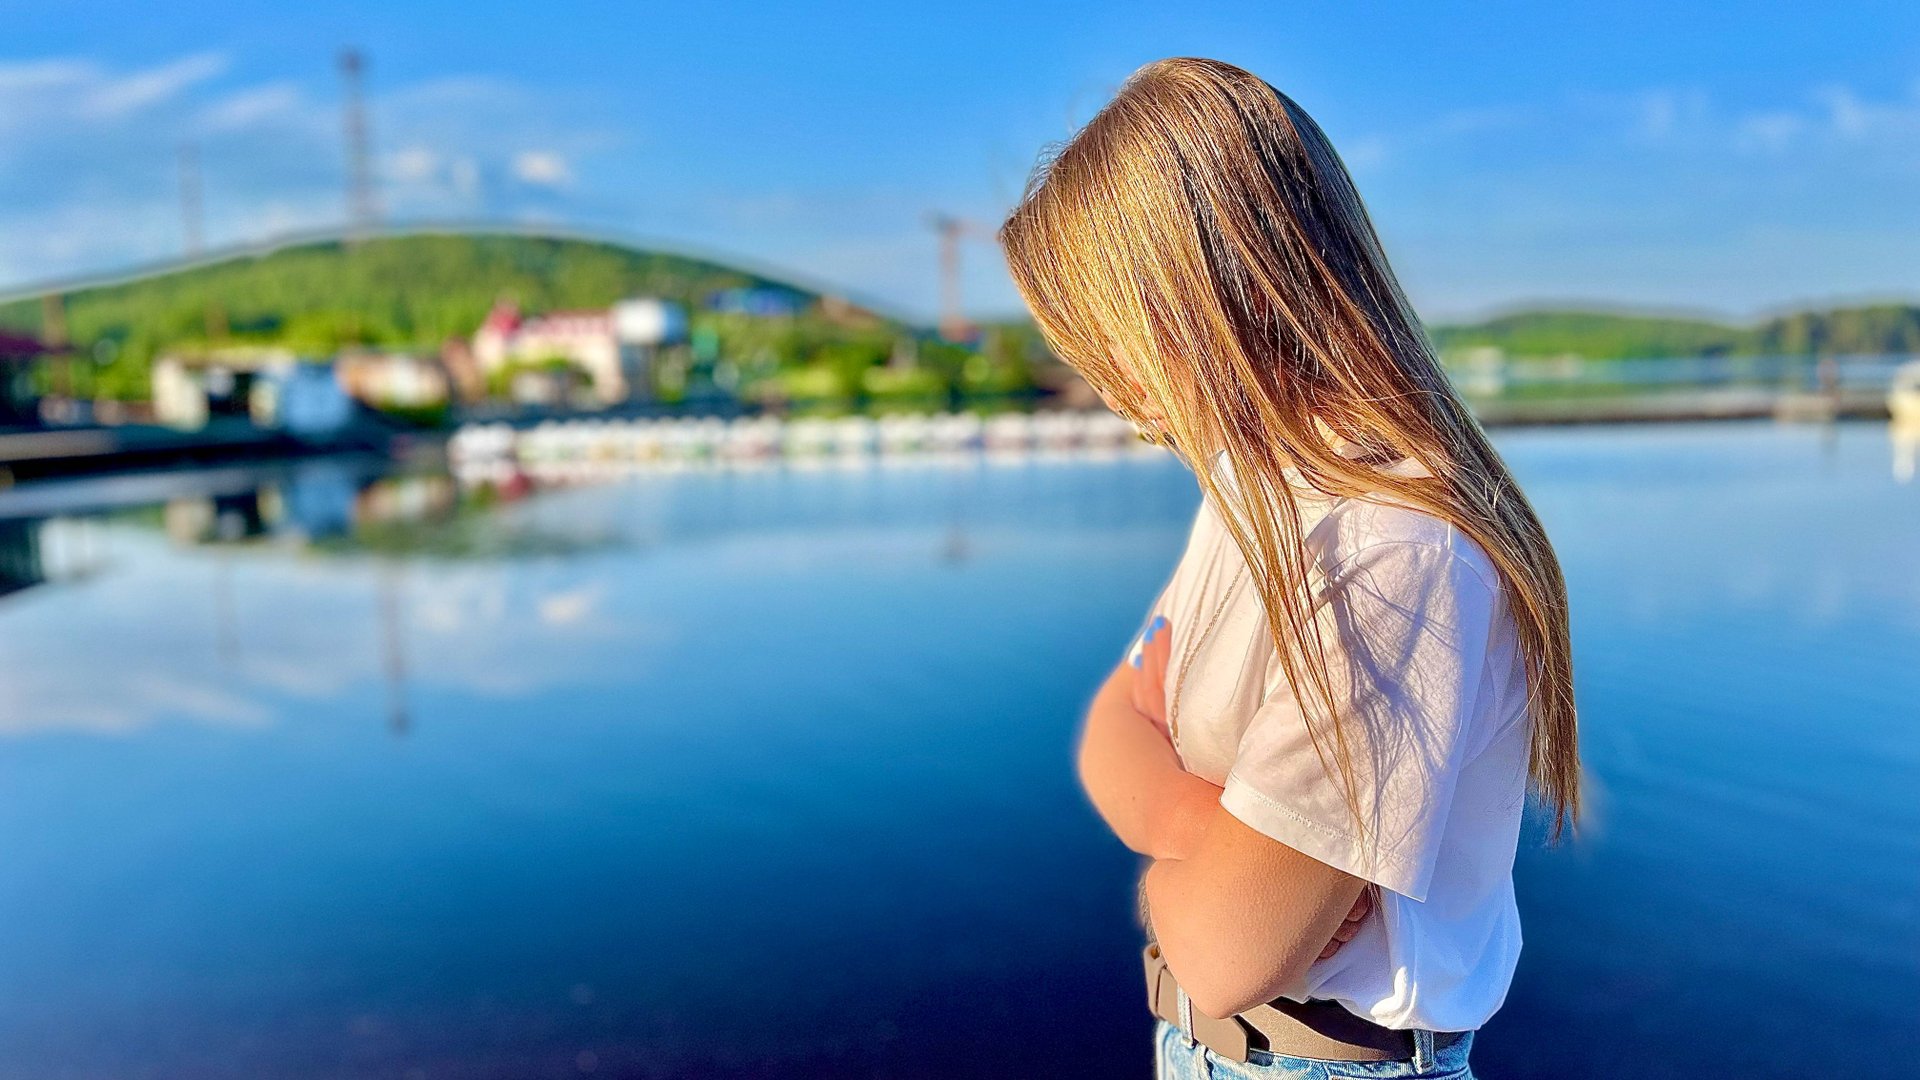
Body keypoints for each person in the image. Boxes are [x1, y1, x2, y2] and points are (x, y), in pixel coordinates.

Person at [996, 57, 1580, 1079]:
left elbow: (1228, 955)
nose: (1109, 391)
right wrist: (1200, 833)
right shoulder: (1258, 491)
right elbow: (1109, 723)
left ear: (1190, 307)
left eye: (1106, 344)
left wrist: (1191, 869)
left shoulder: (1386, 552)